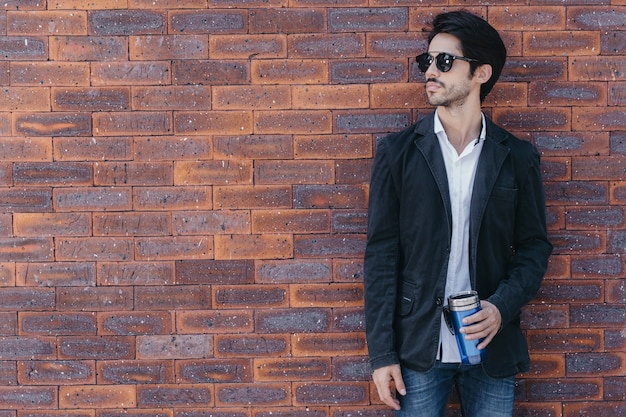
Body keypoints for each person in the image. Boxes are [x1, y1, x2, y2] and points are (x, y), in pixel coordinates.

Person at [363, 10, 552, 417]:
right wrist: (381, 354)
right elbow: (381, 258)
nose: (431, 71)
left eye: (444, 61)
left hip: (490, 347)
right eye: (426, 61)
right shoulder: (398, 154)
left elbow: (535, 248)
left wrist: (501, 306)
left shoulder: (516, 158)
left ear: (481, 73)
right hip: (418, 348)